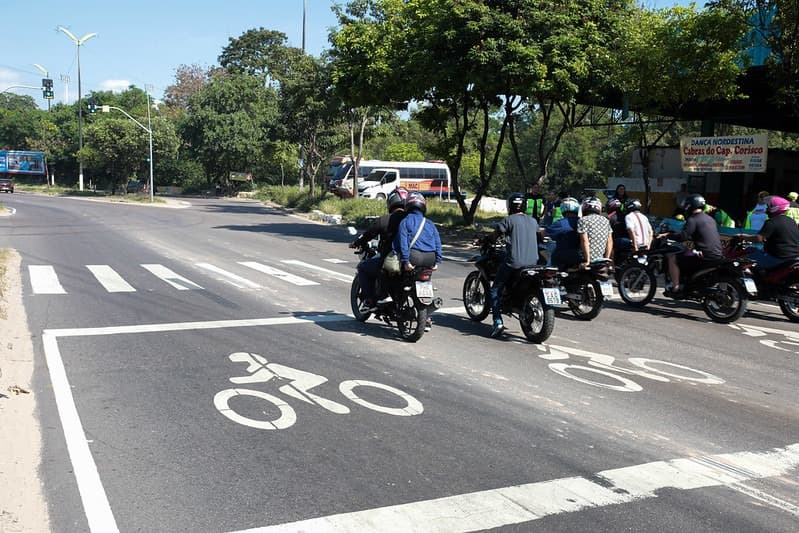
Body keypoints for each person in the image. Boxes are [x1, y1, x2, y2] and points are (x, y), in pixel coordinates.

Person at [488, 192, 540, 338]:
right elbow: (540, 236)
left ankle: (497, 321)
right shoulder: (533, 221)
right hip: (533, 264)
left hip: (514, 263)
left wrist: (487, 239)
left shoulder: (508, 220)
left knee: (495, 290)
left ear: (510, 206)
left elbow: (496, 234)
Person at [350, 187, 409, 309]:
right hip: (410, 261)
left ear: (391, 202)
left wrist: (357, 243)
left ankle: (369, 300)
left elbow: (368, 235)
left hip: (390, 259)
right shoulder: (412, 220)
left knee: (362, 267)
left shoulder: (384, 220)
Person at [393, 191, 442, 331]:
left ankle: (400, 307)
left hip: (413, 257)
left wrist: (406, 261)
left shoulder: (405, 221)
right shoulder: (430, 223)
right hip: (430, 259)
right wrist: (437, 261)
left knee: (402, 283)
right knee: (425, 282)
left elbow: (403, 243)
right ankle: (426, 316)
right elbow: (438, 243)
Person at [657, 194, 723, 297]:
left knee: (672, 258)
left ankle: (676, 287)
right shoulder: (710, 219)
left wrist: (668, 235)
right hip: (717, 255)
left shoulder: (693, 219)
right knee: (686, 254)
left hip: (703, 256)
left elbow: (683, 236)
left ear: (690, 206)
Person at [736, 196, 799, 271]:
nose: (766, 209)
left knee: (745, 259)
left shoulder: (772, 222)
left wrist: (742, 236)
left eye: (768, 207)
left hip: (777, 257)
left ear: (774, 208)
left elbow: (759, 238)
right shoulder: (791, 221)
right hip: (794, 257)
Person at [544, 197, 582, 269]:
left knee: (553, 256)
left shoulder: (561, 223)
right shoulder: (582, 222)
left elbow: (544, 233)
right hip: (580, 255)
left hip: (564, 255)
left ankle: (550, 278)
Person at [577, 196, 613, 268]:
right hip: (601, 258)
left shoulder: (583, 220)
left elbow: (584, 241)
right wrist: (607, 258)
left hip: (585, 257)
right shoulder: (605, 220)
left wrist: (587, 260)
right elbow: (610, 241)